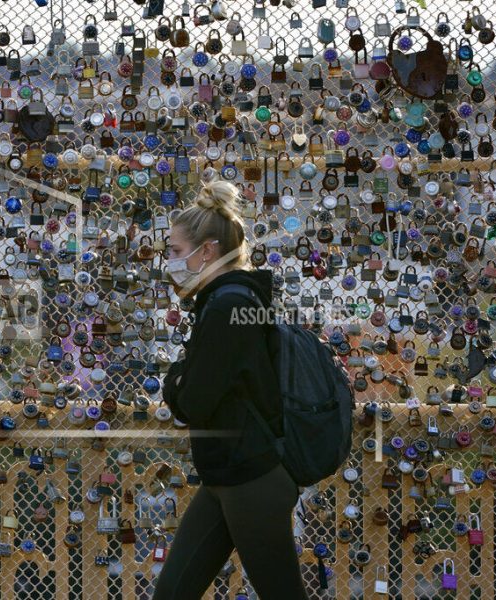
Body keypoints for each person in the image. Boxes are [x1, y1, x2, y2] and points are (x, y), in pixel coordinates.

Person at [152, 181, 309, 600]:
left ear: (206, 251)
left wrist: (173, 380)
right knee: (172, 592)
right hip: (228, 475)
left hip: (250, 479)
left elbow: (193, 404)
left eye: (174, 250)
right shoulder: (230, 299)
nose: (169, 261)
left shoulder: (225, 307)